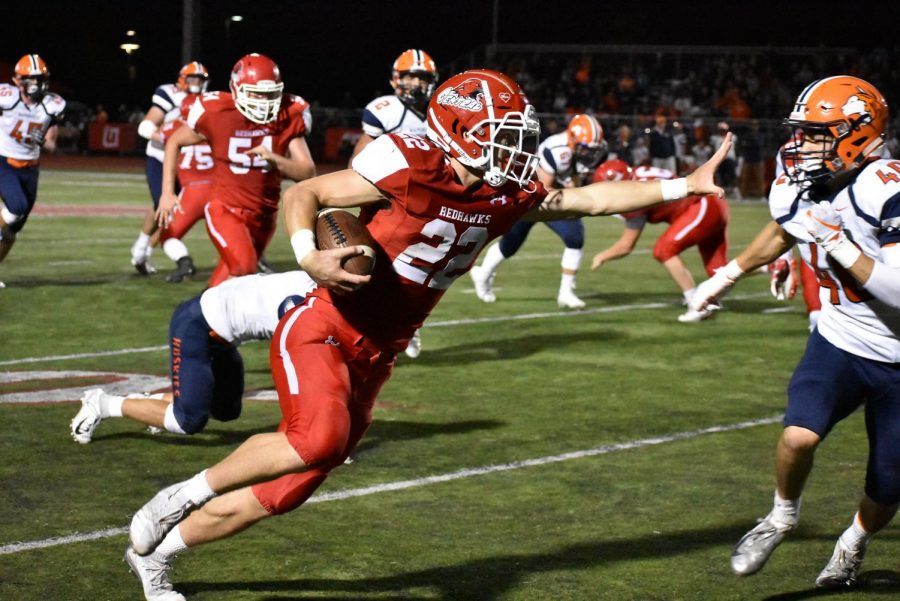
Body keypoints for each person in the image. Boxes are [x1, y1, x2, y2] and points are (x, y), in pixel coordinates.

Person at [123, 69, 731, 601]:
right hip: (325, 324)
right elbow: (308, 192)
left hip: (379, 352)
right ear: (459, 132)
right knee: (320, 436)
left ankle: (157, 556)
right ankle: (175, 496)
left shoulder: (504, 191)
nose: (517, 148)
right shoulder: (410, 162)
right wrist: (309, 255)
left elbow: (588, 199)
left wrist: (683, 185)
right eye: (504, 135)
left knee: (290, 489)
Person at [688, 76, 899, 587]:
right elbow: (785, 228)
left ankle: (852, 543)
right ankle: (781, 516)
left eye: (815, 133)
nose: (801, 144)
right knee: (798, 436)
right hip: (840, 340)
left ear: (855, 132)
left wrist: (840, 245)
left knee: (889, 483)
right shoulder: (804, 176)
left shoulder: (886, 186)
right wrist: (727, 275)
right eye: (801, 132)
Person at [70, 270, 314, 443]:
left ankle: (147, 403)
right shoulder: (304, 303)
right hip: (197, 326)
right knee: (188, 421)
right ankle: (102, 404)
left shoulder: (314, 282)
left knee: (226, 410)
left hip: (223, 338)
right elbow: (298, 374)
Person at [156, 53, 315, 288]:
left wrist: (275, 159)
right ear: (236, 88)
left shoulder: (287, 114)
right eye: (256, 94)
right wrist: (167, 192)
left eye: (269, 95)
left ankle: (204, 322)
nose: (263, 101)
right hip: (226, 209)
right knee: (245, 269)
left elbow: (306, 172)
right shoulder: (217, 112)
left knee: (228, 285)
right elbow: (173, 142)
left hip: (265, 215)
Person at [350, 48, 439, 358]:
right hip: (383, 201)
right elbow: (357, 163)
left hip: (422, 203)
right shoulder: (386, 110)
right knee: (369, 266)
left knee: (414, 273)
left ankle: (406, 328)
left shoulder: (439, 115)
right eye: (410, 76)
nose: (415, 83)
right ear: (395, 80)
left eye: (422, 77)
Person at [470, 113, 607, 309]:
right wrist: (573, 192)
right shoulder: (557, 150)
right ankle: (482, 274)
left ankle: (566, 292)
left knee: (574, 237)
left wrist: (574, 187)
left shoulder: (573, 150)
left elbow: (573, 180)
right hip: (530, 193)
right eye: (586, 148)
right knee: (511, 243)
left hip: (543, 192)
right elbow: (545, 189)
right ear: (573, 139)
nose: (589, 154)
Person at [589, 160, 729, 323]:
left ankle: (696, 304)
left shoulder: (633, 194)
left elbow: (625, 246)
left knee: (664, 249)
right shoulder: (634, 174)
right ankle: (765, 265)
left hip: (701, 206)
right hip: (710, 204)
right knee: (719, 272)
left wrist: (602, 256)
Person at [130, 62, 209, 277]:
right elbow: (145, 127)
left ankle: (145, 249)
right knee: (161, 204)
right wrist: (166, 138)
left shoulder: (206, 100)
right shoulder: (169, 93)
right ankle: (141, 248)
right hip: (160, 157)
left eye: (200, 80)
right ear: (182, 79)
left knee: (172, 210)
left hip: (185, 163)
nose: (196, 84)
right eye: (192, 78)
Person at [0, 54, 66, 289]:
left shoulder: (53, 104)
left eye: (40, 79)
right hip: (4, 161)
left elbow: (51, 143)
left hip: (30, 168)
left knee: (13, 230)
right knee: (15, 208)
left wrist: (42, 141)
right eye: (31, 79)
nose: (37, 84)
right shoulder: (6, 97)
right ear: (19, 81)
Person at [157, 94, 214, 282]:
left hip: (193, 192)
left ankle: (184, 263)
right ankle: (256, 259)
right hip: (220, 190)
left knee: (168, 236)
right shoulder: (216, 126)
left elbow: (156, 134)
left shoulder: (175, 127)